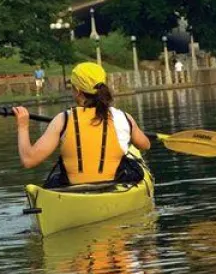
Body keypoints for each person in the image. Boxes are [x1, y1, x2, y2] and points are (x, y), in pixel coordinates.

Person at [12, 61, 150, 187]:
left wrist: (23, 126)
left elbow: (28, 160)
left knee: (54, 178)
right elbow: (145, 145)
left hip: (73, 192)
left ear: (77, 91)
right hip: (114, 187)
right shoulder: (124, 118)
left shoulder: (63, 119)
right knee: (134, 166)